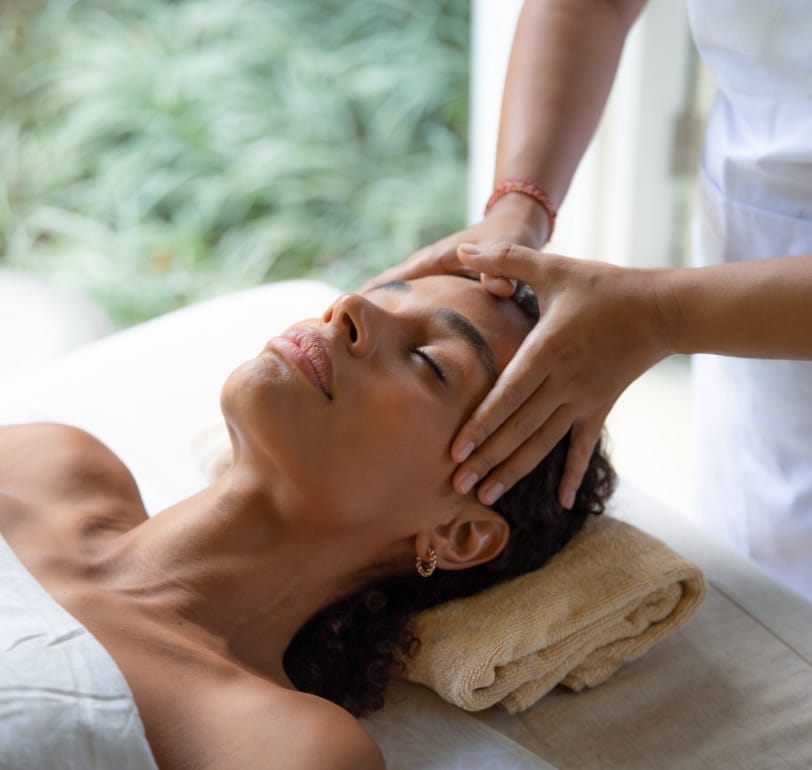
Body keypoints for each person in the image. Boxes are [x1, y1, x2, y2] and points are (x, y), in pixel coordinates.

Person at [0, 275, 615, 770]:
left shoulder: (278, 745)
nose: (347, 309)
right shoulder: (49, 466)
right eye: (379, 297)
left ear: (457, 535)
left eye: (429, 360)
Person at [372, 0, 812, 600]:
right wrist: (517, 206)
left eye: (430, 363)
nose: (349, 310)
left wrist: (663, 313)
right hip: (761, 220)